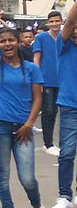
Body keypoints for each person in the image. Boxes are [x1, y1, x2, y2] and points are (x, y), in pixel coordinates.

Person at [0, 0, 54, 208]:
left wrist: (29, 124)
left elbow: (38, 99)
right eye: (2, 41)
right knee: (2, 175)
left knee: (28, 177)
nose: (7, 44)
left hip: (24, 129)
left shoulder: (31, 69)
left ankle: (38, 205)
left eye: (11, 40)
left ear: (19, 41)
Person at [52, 2, 77, 208]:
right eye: (74, 28)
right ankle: (64, 196)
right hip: (70, 106)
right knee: (67, 152)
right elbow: (68, 21)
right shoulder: (63, 46)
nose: (75, 31)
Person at [34, 11, 63, 156]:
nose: (55, 24)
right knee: (48, 111)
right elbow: (36, 59)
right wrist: (37, 80)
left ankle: (55, 143)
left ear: (62, 21)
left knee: (58, 112)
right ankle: (48, 143)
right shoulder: (41, 38)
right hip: (46, 81)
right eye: (52, 21)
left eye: (57, 21)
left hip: (62, 80)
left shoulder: (65, 37)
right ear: (48, 23)